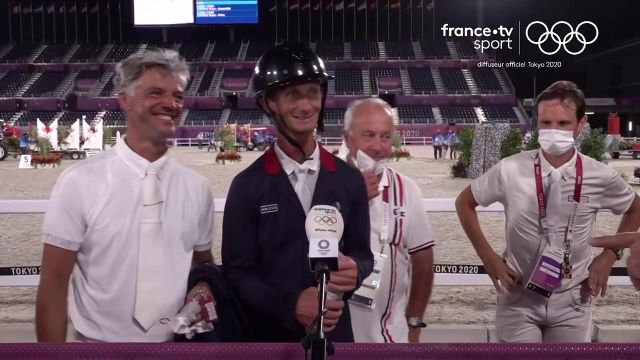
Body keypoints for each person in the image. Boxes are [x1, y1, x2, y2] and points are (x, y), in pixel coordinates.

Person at [36, 49, 216, 342]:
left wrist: (206, 283)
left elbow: (202, 264)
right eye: (156, 93)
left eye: (178, 96)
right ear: (125, 100)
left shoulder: (197, 187)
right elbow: (54, 284)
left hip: (178, 348)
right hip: (96, 349)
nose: (170, 104)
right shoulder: (79, 181)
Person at [455, 80, 640, 343]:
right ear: (537, 123)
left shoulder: (599, 175)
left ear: (580, 125)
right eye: (546, 123)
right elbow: (464, 203)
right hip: (518, 297)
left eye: (563, 124)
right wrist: (488, 257)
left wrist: (609, 256)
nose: (554, 130)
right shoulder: (510, 169)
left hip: (574, 299)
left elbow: (635, 208)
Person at [222, 43, 374, 343]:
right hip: (269, 340)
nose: (306, 106)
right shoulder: (246, 186)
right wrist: (289, 304)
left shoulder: (350, 180)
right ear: (269, 103)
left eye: (312, 93)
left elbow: (363, 256)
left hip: (336, 338)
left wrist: (356, 272)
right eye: (292, 94)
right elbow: (236, 274)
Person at [340, 98, 435, 343]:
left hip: (390, 339)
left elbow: (423, 261)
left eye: (385, 137)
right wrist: (352, 198)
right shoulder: (325, 184)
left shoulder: (407, 189)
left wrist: (414, 323)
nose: (378, 146)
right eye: (369, 135)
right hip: (334, 340)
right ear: (349, 138)